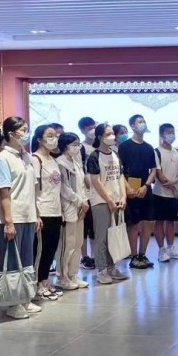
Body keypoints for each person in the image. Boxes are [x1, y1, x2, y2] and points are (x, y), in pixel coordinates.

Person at [0, 117, 41, 320]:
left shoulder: (26, 156)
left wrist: (36, 214)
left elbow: (32, 189)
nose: (26, 133)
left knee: (27, 260)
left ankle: (25, 298)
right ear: (11, 134)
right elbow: (4, 192)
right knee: (13, 262)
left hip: (28, 215)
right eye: (23, 130)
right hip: (13, 216)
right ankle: (13, 304)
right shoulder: (3, 158)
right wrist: (8, 221)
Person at [86, 123, 128, 284]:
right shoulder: (94, 156)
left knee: (113, 236)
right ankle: (101, 270)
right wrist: (109, 200)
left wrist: (123, 197)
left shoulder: (115, 154)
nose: (112, 137)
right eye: (108, 134)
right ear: (100, 137)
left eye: (112, 133)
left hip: (117, 201)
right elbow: (95, 181)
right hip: (101, 202)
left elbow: (120, 176)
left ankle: (112, 267)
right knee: (102, 237)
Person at [30, 125, 64, 301]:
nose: (54, 138)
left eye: (55, 135)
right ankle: (36, 284)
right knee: (40, 251)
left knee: (51, 249)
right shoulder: (35, 159)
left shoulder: (53, 159)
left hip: (55, 211)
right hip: (43, 211)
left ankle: (44, 280)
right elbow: (34, 189)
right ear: (39, 139)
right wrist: (36, 214)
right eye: (49, 135)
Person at [118, 114, 156, 269]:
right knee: (133, 224)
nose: (143, 124)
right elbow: (120, 171)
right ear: (133, 126)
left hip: (145, 188)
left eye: (144, 121)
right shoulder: (124, 147)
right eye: (140, 122)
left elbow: (153, 170)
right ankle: (133, 256)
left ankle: (142, 254)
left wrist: (146, 186)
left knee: (149, 221)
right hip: (130, 188)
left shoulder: (148, 147)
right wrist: (128, 188)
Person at [56, 132, 90, 289]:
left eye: (78, 144)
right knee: (67, 243)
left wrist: (84, 201)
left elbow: (82, 185)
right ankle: (62, 276)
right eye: (74, 144)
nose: (77, 147)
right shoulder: (60, 163)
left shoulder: (76, 162)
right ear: (65, 146)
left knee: (78, 242)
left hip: (81, 207)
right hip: (68, 207)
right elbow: (65, 188)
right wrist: (78, 201)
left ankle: (73, 274)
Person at [154, 123, 178, 262]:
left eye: (173, 132)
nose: (171, 135)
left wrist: (174, 185)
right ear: (161, 135)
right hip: (160, 193)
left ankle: (171, 248)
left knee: (172, 221)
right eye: (168, 132)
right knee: (159, 222)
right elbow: (159, 174)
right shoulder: (156, 152)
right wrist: (173, 187)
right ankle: (161, 250)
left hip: (175, 195)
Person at [78, 116, 97, 271]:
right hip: (86, 192)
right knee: (84, 227)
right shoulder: (81, 148)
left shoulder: (100, 147)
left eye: (94, 127)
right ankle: (84, 257)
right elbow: (81, 170)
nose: (93, 130)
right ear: (83, 130)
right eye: (89, 128)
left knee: (95, 227)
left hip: (100, 192)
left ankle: (96, 256)